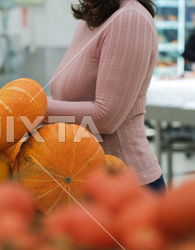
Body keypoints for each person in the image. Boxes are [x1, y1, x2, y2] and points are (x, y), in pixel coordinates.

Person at [45, 0, 165, 192]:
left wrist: (31, 107)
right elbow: (67, 103)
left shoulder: (130, 19)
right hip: (86, 180)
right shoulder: (90, 20)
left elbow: (106, 118)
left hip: (128, 185)